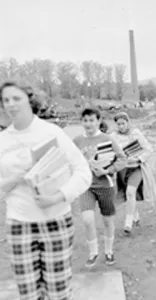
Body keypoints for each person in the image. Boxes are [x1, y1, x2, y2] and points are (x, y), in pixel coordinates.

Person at [0, 81, 92, 300]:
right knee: (29, 294)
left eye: (16, 98)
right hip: (19, 223)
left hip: (56, 220)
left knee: (57, 292)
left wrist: (57, 198)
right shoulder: (2, 140)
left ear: (30, 100)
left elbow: (83, 173)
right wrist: (16, 176)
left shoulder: (52, 132)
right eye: (6, 100)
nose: (11, 104)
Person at [73, 108, 127, 267]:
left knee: (108, 220)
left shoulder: (108, 139)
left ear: (98, 121)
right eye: (85, 120)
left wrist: (108, 170)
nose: (88, 124)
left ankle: (109, 251)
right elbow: (70, 161)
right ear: (81, 122)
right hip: (86, 186)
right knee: (87, 219)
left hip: (106, 185)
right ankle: (93, 252)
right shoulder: (76, 141)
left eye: (91, 120)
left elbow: (122, 159)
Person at [111, 112, 156, 236]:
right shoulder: (113, 136)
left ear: (128, 122)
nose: (121, 126)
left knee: (130, 192)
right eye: (118, 124)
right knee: (127, 195)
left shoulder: (136, 133)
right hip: (122, 170)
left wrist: (138, 159)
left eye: (123, 123)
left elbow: (149, 149)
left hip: (135, 168)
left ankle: (128, 222)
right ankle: (135, 214)